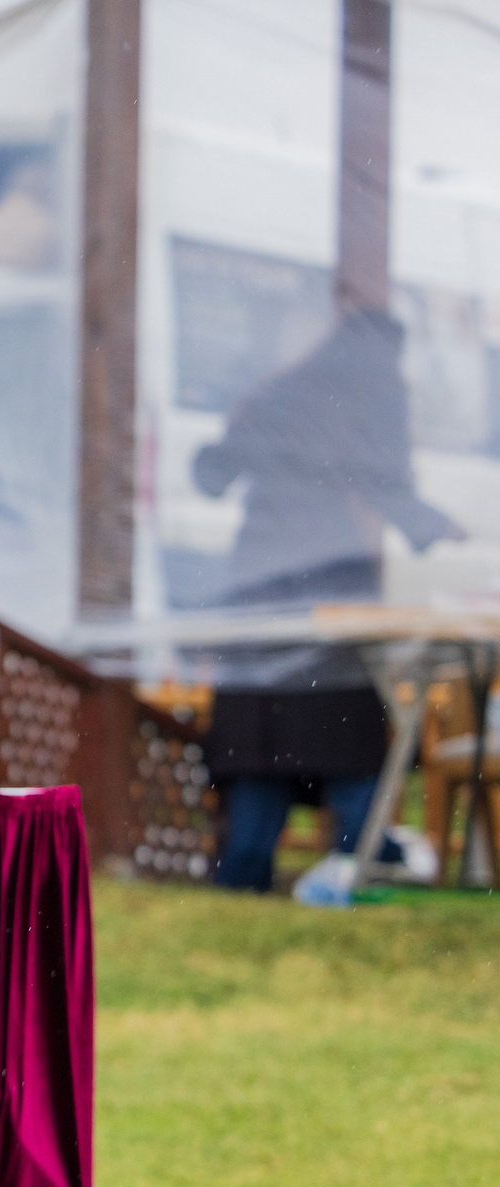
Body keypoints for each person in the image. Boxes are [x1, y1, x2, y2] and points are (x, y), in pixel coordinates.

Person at [192, 301, 463, 891]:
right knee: (343, 728)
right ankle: (357, 870)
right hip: (328, 585)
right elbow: (386, 482)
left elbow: (212, 472)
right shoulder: (374, 394)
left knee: (265, 739)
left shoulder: (285, 389)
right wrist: (435, 525)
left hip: (257, 585)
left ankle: (249, 878)